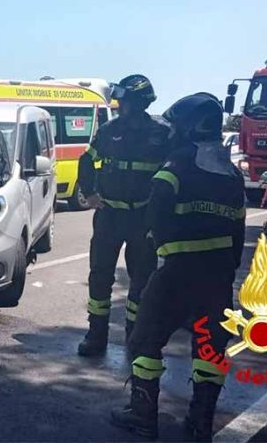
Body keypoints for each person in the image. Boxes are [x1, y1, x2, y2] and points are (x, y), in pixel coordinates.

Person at [111, 93, 245, 441]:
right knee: (210, 348)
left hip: (176, 273)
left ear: (187, 128)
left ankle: (143, 416)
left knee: (145, 340)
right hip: (216, 279)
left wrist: (159, 255)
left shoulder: (175, 167)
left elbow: (154, 218)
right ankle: (201, 421)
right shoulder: (231, 174)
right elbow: (238, 232)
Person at [75, 75, 171, 356]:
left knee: (141, 280)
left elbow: (173, 171)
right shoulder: (109, 130)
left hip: (143, 217)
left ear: (138, 102)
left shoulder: (162, 133)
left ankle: (135, 337)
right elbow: (86, 161)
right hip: (110, 216)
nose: (119, 105)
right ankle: (96, 335)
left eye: (123, 100)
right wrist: (90, 193)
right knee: (100, 276)